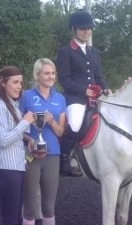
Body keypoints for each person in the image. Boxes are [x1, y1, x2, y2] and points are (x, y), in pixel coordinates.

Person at [56, 9, 112, 177]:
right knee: (74, 123)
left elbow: (98, 76)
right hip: (75, 98)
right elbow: (64, 79)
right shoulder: (65, 52)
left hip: (95, 96)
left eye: (89, 28)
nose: (86, 31)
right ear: (74, 30)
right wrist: (84, 90)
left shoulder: (94, 52)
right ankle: (64, 160)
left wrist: (107, 87)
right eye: (82, 28)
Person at [0, 66, 35, 225]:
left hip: (17, 167)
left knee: (16, 218)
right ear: (2, 83)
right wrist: (25, 122)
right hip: (7, 170)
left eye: (20, 82)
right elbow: (3, 140)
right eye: (15, 82)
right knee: (10, 219)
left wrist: (29, 139)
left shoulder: (12, 105)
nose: (19, 86)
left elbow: (15, 133)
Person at [20, 58, 66, 225]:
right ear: (37, 75)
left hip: (53, 154)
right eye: (46, 73)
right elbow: (17, 126)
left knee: (49, 206)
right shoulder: (26, 96)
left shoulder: (60, 98)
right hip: (31, 155)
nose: (50, 76)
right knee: (30, 206)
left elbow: (61, 131)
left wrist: (52, 122)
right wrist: (30, 140)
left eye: (53, 73)